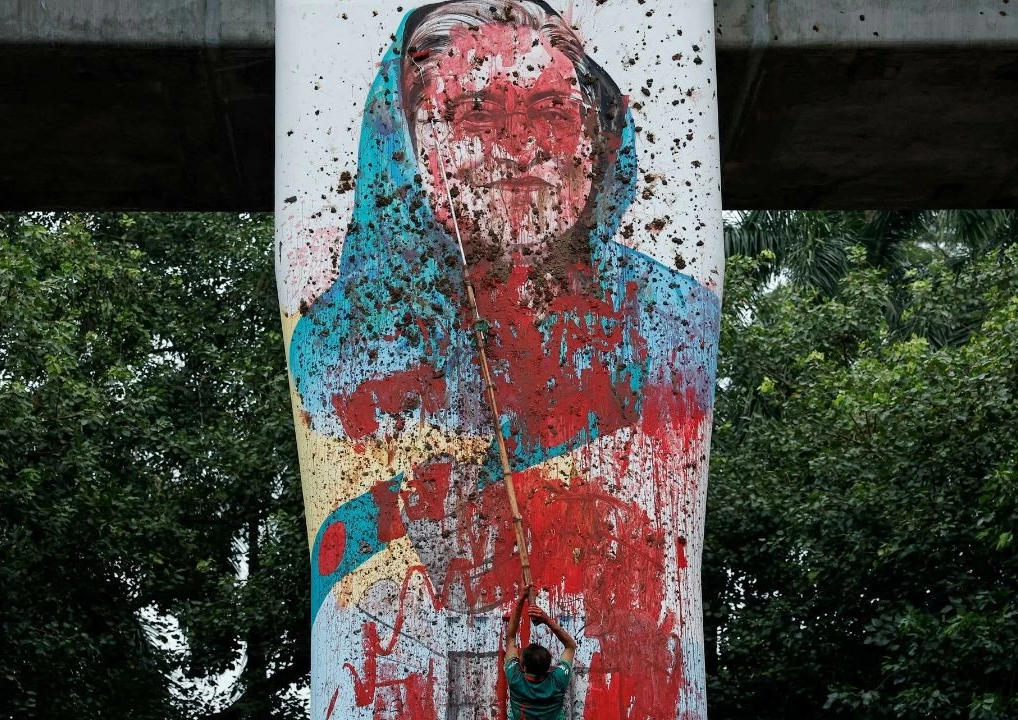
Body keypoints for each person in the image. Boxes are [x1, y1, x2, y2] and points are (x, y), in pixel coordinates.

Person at [289, 1, 720, 717]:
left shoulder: (672, 321)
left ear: (597, 136)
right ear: (411, 140)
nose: (522, 147)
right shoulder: (343, 348)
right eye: (476, 113)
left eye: (551, 110)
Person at [503, 586, 577, 720]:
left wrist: (521, 599)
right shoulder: (558, 680)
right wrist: (546, 619)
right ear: (549, 667)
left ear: (523, 666)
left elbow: (511, 638)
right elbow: (570, 646)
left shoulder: (515, 678)